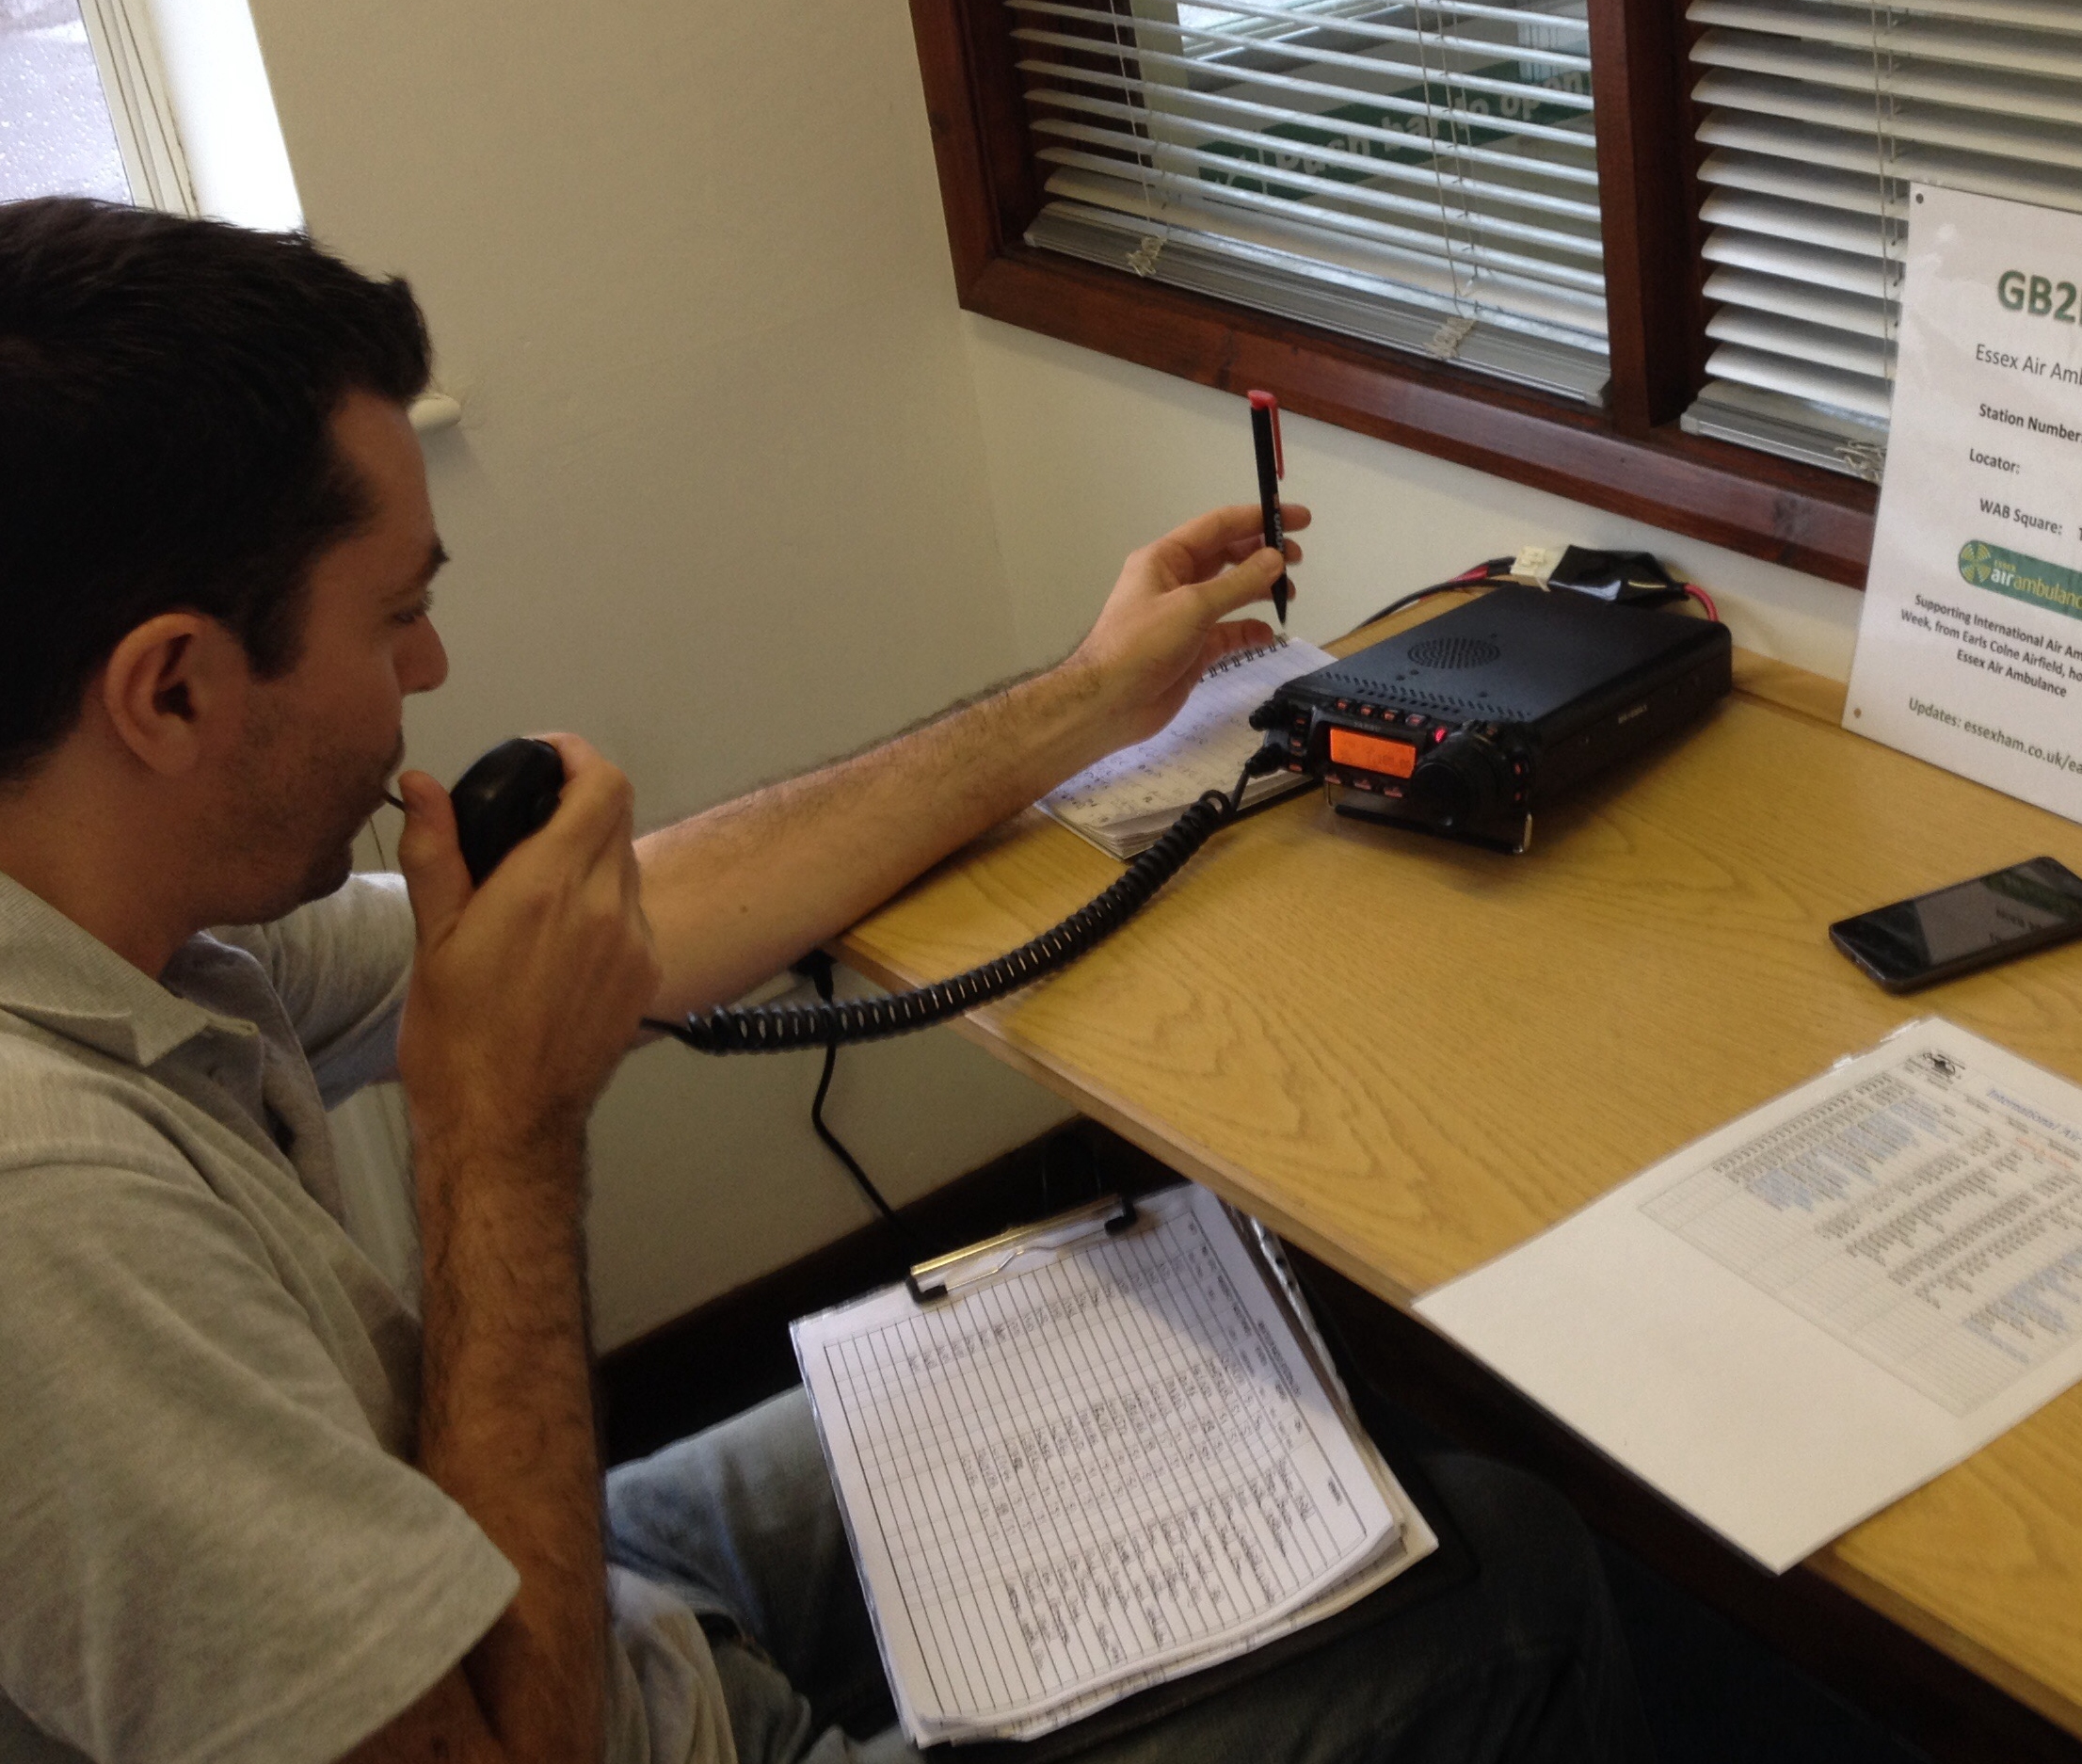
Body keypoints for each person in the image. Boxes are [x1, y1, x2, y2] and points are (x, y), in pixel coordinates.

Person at [0, 200, 1646, 1764]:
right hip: (548, 1698)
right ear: (170, 689)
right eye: (400, 616)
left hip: (543, 1581)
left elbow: (670, 908)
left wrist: (1093, 696)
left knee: (1201, 1341)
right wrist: (494, 1139)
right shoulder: (51, 1216)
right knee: (1512, 1572)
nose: (429, 670)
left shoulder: (123, 907)